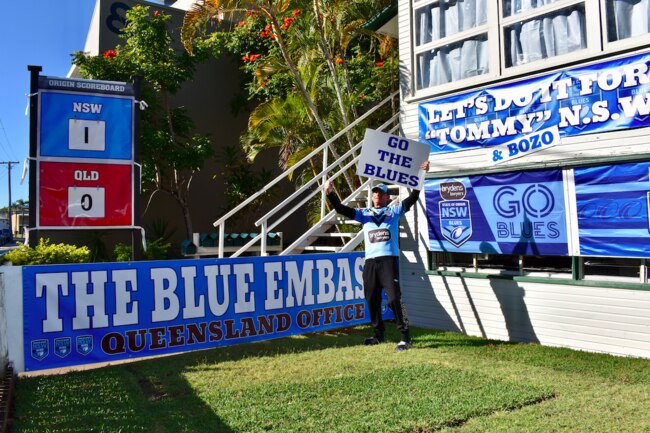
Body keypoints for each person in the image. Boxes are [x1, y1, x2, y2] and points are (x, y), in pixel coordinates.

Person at [324, 160, 430, 351]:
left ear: (387, 197)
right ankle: (378, 334)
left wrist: (421, 174)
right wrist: (329, 193)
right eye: (374, 194)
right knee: (371, 298)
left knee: (394, 298)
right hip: (371, 263)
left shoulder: (394, 211)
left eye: (380, 194)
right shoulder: (364, 214)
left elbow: (414, 196)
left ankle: (405, 336)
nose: (376, 196)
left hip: (389, 261)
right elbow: (341, 209)